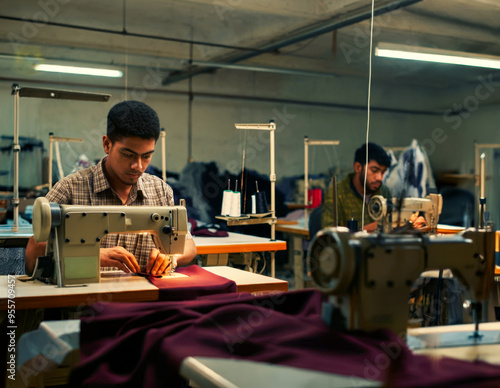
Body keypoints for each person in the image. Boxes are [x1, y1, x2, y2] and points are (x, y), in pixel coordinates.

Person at [25, 100, 197, 276]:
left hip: (142, 298)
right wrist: (91, 255)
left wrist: (171, 257)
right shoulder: (70, 188)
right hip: (83, 297)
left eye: (146, 156)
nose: (138, 166)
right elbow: (34, 250)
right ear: (107, 144)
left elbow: (189, 245)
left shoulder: (160, 191)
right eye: (128, 155)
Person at [321, 142, 391, 232]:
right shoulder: (336, 194)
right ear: (358, 167)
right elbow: (328, 235)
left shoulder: (384, 192)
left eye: (383, 172)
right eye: (374, 170)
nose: (379, 178)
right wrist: (366, 230)